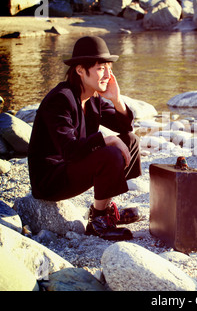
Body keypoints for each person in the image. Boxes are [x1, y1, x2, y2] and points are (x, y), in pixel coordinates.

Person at [28, 36, 142, 241]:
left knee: (130, 140)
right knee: (110, 151)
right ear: (80, 70)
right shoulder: (61, 99)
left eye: (109, 67)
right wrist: (106, 140)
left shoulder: (92, 97)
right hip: (51, 178)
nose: (108, 74)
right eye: (100, 68)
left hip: (71, 167)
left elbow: (125, 127)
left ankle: (104, 210)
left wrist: (116, 99)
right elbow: (69, 150)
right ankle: (97, 221)